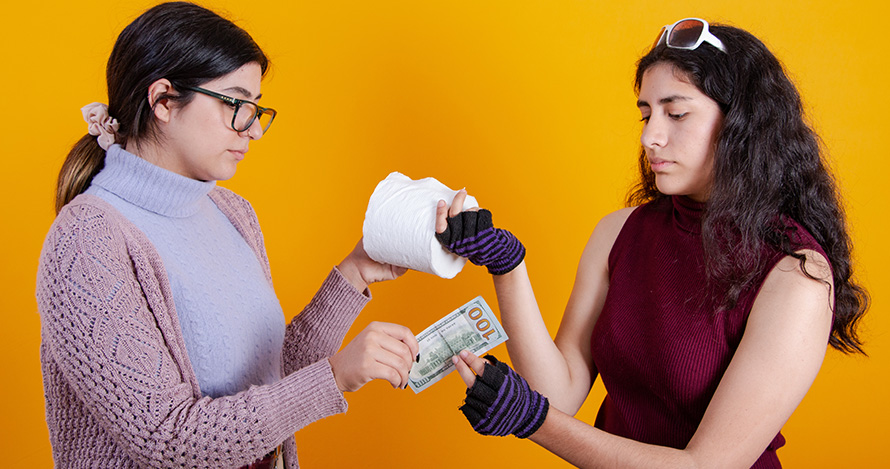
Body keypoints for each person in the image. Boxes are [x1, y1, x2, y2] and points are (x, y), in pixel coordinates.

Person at [435, 18, 868, 468]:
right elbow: (557, 394)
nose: (649, 137)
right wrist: (507, 264)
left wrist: (531, 420)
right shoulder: (618, 232)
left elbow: (705, 466)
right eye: (646, 114)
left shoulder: (796, 275)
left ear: (742, 123)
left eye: (676, 114)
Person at [36, 3, 418, 468]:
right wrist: (334, 377)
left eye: (256, 109)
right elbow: (168, 439)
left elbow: (271, 382)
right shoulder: (87, 240)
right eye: (237, 105)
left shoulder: (232, 212)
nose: (254, 130)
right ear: (163, 101)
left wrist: (356, 273)